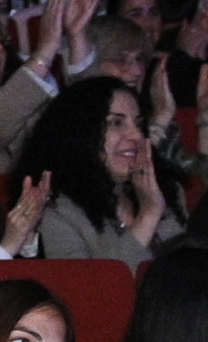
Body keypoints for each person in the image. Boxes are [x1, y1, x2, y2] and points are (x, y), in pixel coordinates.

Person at [25, 74, 170, 267]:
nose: (136, 135)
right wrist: (148, 215)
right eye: (116, 123)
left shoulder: (165, 190)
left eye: (138, 123)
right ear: (80, 133)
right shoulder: (58, 213)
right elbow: (92, 290)